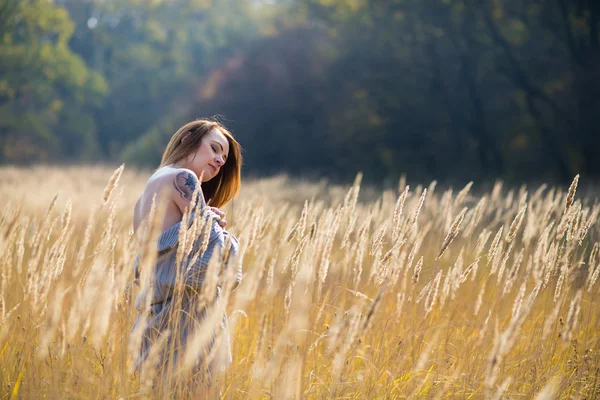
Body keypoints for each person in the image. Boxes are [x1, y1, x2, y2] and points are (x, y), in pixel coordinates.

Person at [130, 119, 243, 395]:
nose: (219, 160)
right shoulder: (185, 179)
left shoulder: (150, 187)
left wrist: (205, 220)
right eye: (215, 149)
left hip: (154, 322)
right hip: (183, 326)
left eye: (224, 158)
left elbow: (160, 258)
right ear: (189, 138)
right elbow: (220, 259)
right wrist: (219, 230)